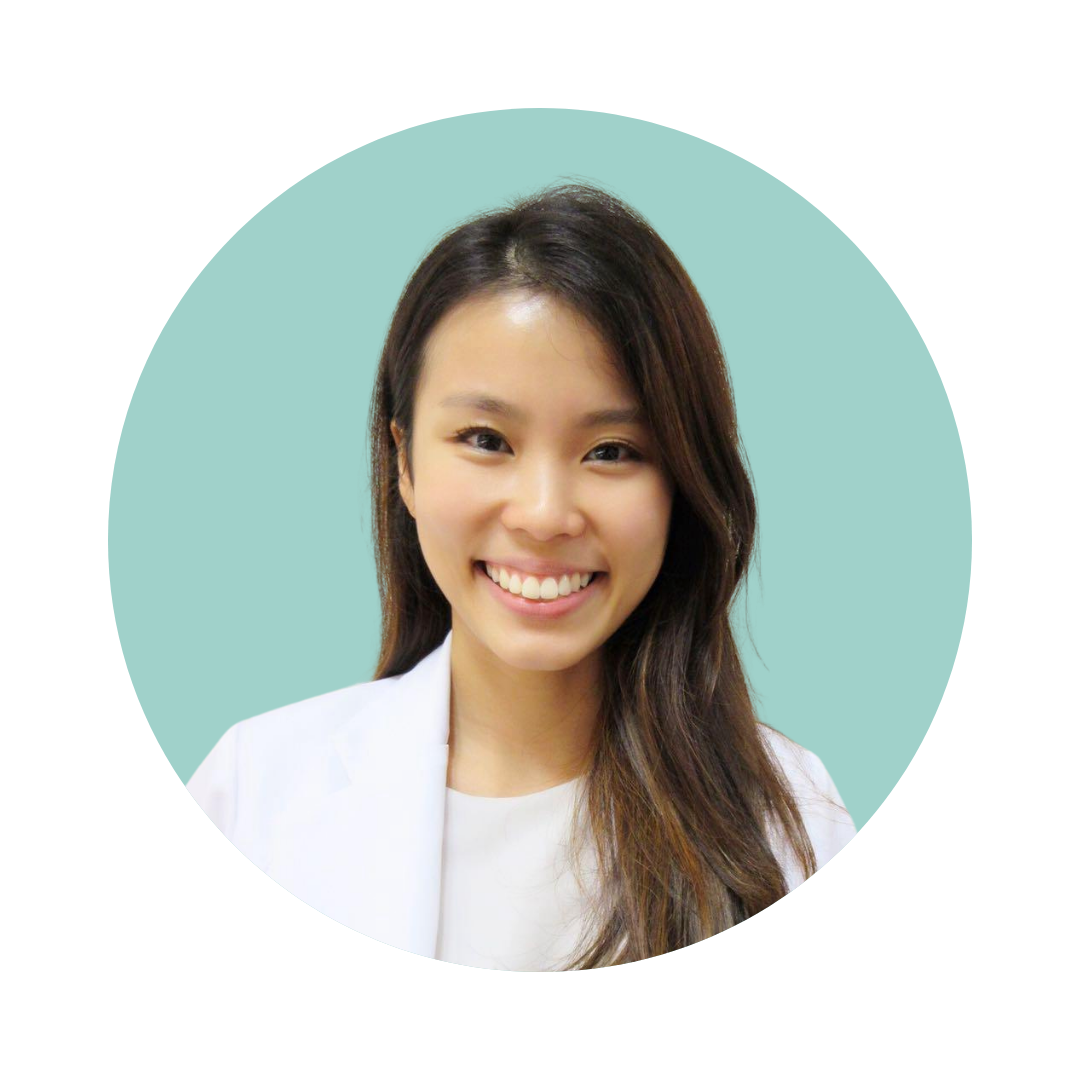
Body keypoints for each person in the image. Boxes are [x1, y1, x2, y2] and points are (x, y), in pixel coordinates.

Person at [186, 179, 856, 971]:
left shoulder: (791, 819)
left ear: (682, 480)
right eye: (485, 439)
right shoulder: (255, 791)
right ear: (402, 460)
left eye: (612, 451)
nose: (544, 515)